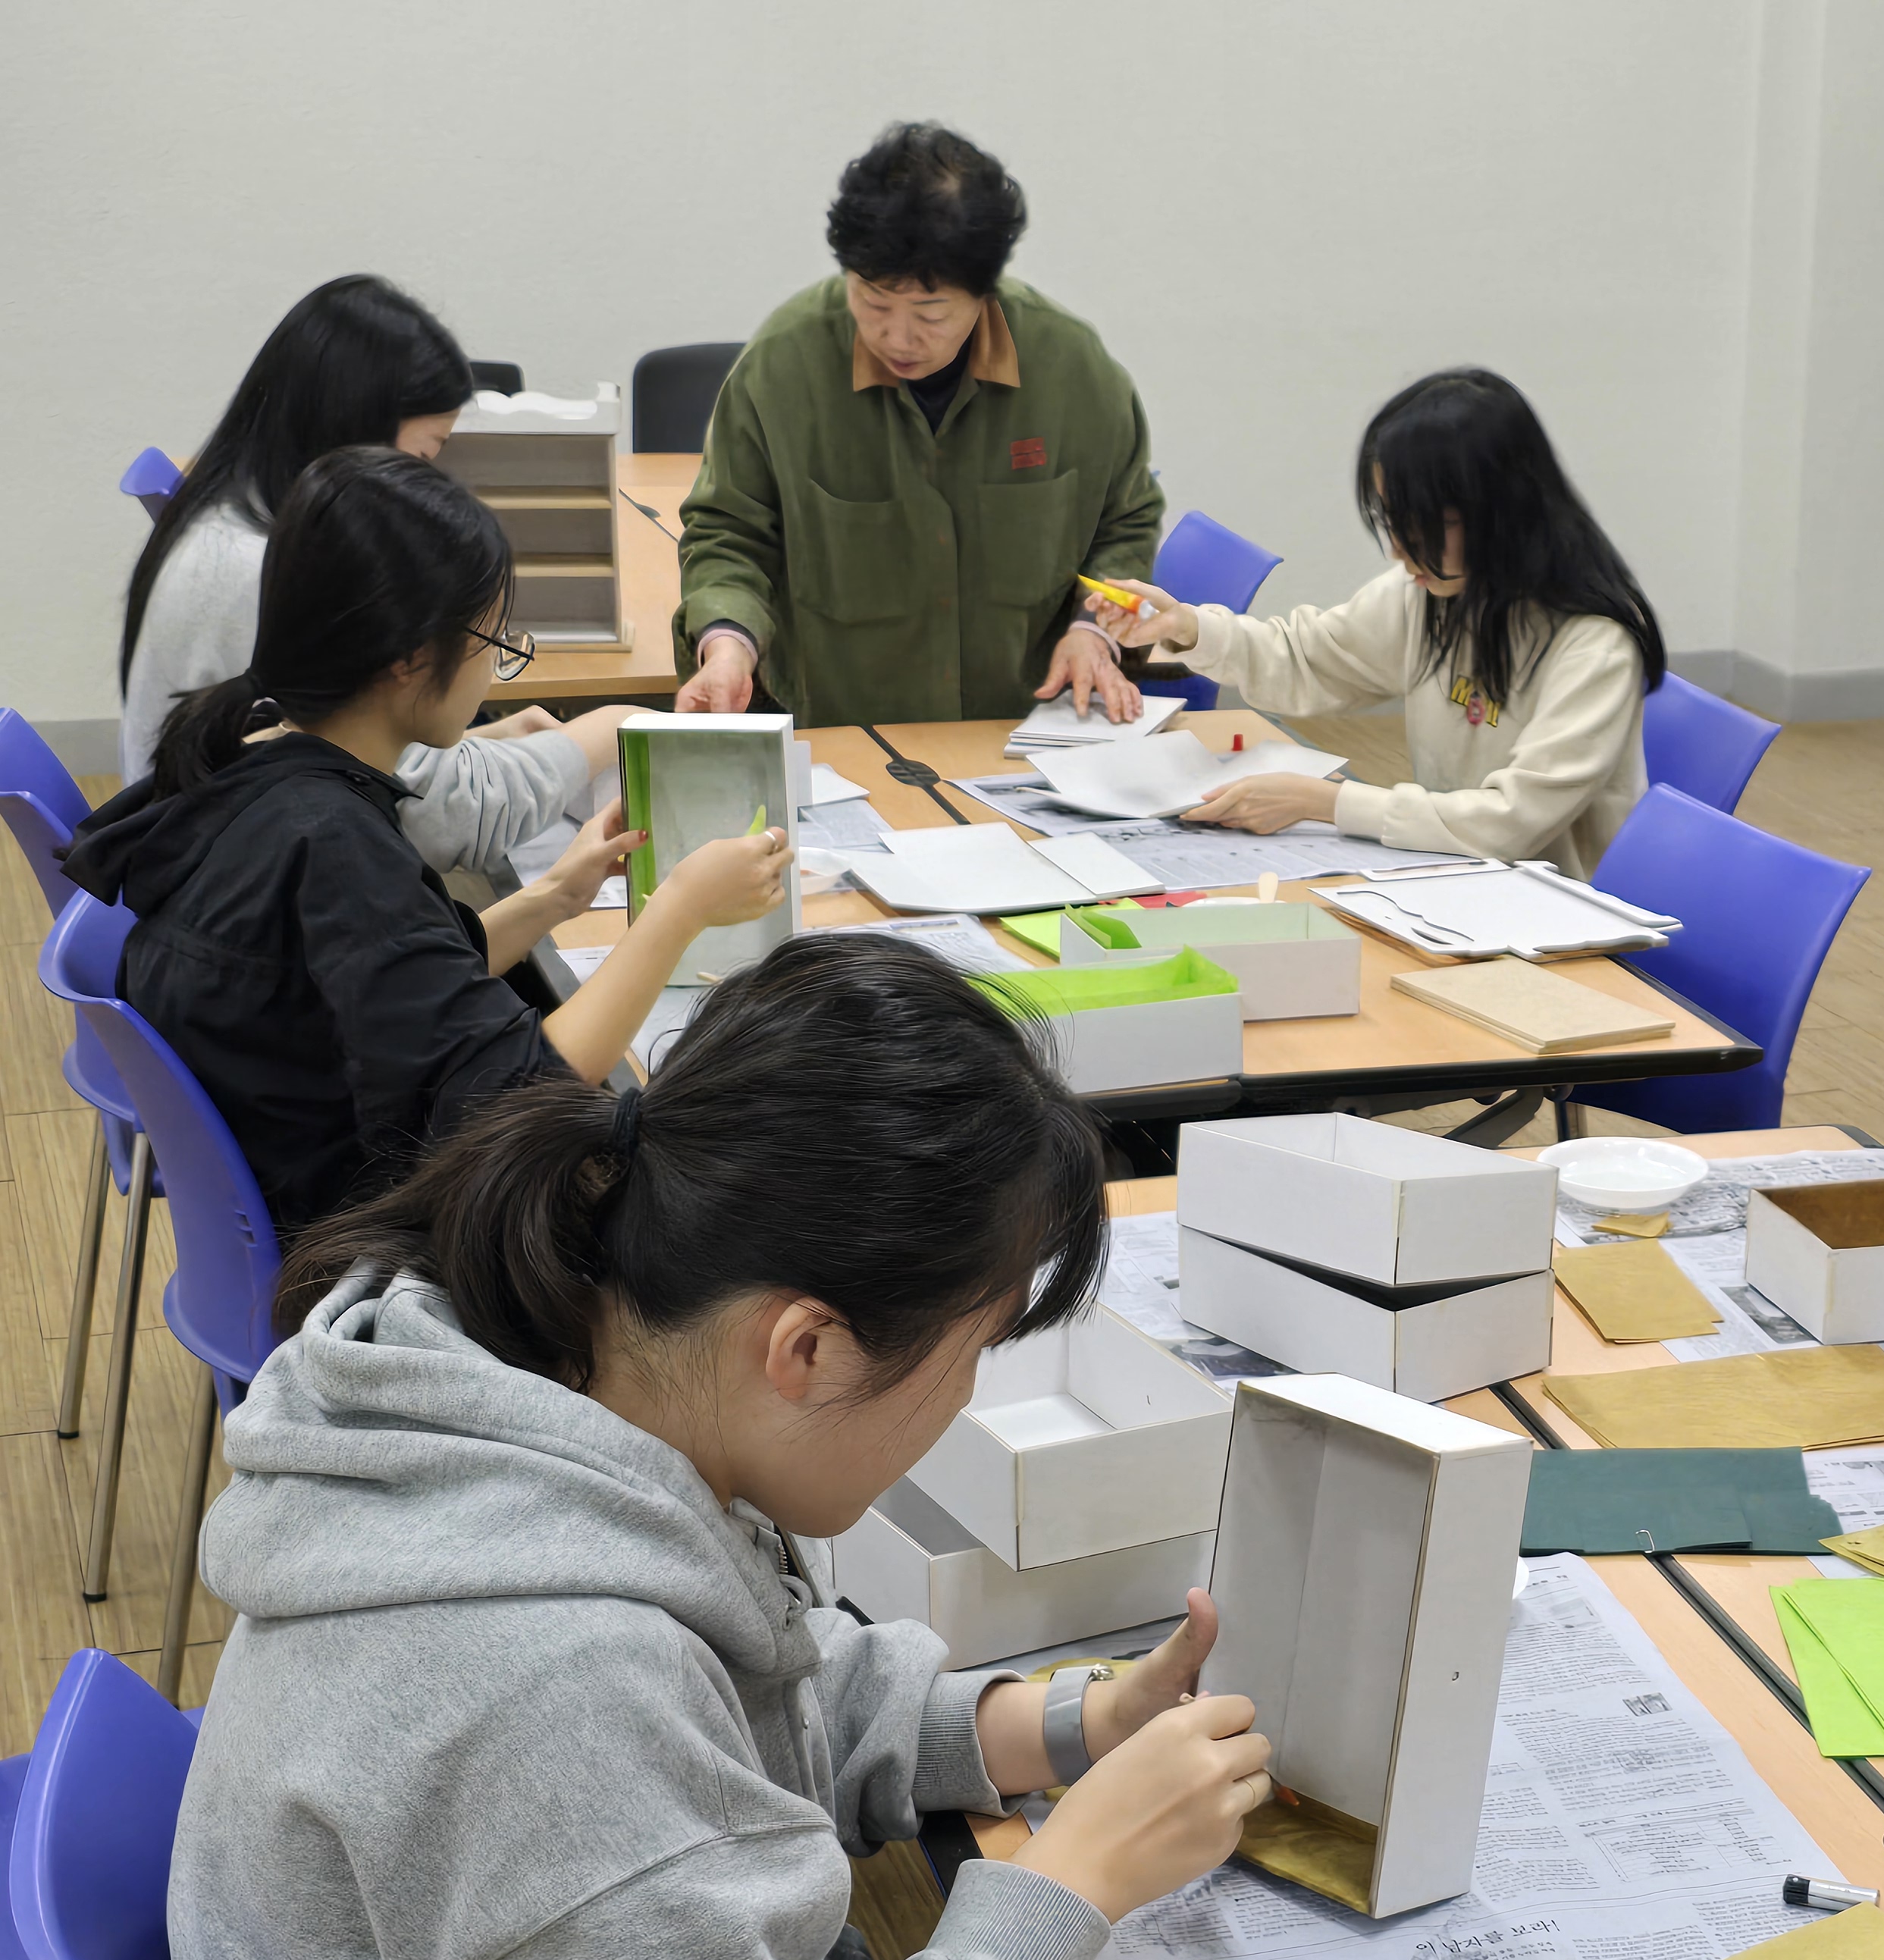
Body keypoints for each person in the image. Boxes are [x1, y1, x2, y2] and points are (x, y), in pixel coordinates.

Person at [168, 932, 1277, 1960]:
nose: (968, 1394)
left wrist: (1060, 1726)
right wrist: (1071, 1884)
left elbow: (745, 1690)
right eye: (976, 1347)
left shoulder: (526, 1381)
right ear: (805, 1348)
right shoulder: (558, 1703)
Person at [63, 446, 791, 1235]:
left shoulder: (251, 748)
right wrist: (679, 907)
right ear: (411, 659)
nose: (494, 670)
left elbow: (394, 979)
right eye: (492, 641)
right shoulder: (334, 847)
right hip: (368, 1247)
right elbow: (523, 1094)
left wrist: (555, 896)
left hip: (295, 1192)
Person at [117, 274, 627, 870]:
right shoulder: (261, 574)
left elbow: (342, 752)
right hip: (238, 886)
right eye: (424, 457)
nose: (423, 486)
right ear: (354, 431)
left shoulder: (230, 518)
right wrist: (609, 727)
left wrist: (486, 740)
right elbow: (443, 816)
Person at [1086, 368, 1663, 879]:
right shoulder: (1431, 593)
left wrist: (1327, 803)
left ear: (1501, 513)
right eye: (1391, 521)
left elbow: (1508, 823)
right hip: (1451, 875)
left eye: (1421, 526)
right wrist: (1187, 628)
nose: (1398, 550)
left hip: (1555, 915)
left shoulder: (1595, 645)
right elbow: (1309, 660)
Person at [677, 123, 1164, 729]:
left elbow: (1125, 519)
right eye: (873, 302)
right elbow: (729, 531)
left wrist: (1094, 629)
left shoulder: (1071, 370)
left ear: (984, 293)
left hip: (1019, 735)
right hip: (843, 733)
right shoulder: (783, 366)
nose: (898, 338)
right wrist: (729, 644)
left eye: (930, 314)